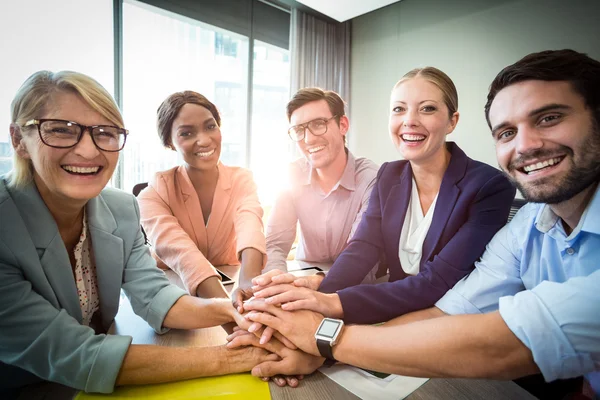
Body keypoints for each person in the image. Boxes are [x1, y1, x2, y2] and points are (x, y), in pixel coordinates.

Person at [235, 49, 600, 398]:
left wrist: (324, 326)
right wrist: (316, 304)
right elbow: (378, 259)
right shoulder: (527, 224)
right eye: (507, 132)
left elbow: (449, 295)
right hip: (414, 321)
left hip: (461, 342)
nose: (526, 145)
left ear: (452, 121)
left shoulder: (488, 185)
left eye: (549, 118)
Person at [0, 71, 311, 398]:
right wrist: (248, 356)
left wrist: (229, 310)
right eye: (61, 130)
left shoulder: (120, 208)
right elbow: (71, 352)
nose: (89, 151)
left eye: (104, 133)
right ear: (19, 140)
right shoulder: (151, 192)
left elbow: (154, 295)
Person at [251, 67, 515, 328]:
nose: (409, 120)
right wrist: (314, 299)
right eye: (399, 109)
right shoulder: (389, 175)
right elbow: (362, 248)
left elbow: (437, 282)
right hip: (391, 311)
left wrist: (330, 303)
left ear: (452, 121)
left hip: (448, 323)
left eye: (427, 108)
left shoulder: (489, 186)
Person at [137, 91, 266, 312]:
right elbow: (183, 254)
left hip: (232, 285)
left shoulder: (242, 179)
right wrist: (232, 314)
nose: (204, 140)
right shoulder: (153, 194)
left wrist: (249, 282)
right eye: (187, 133)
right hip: (176, 292)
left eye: (210, 126)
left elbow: (250, 224)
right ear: (170, 141)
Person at [264, 88, 379, 279]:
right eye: (299, 130)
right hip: (302, 278)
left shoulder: (371, 179)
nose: (308, 139)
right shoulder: (292, 174)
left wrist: (314, 287)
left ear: (342, 125)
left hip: (354, 287)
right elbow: (275, 244)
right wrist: (276, 279)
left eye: (318, 124)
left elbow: (359, 254)